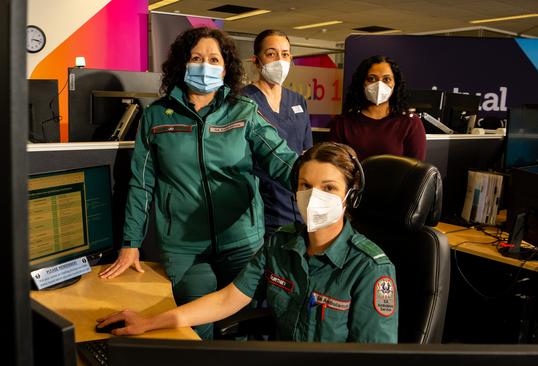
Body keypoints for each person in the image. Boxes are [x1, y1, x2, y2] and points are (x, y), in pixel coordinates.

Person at [98, 27, 298, 340]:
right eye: (197, 58)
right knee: (193, 332)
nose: (206, 65)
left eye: (214, 59)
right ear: (182, 64)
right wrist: (130, 243)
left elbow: (281, 159)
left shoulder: (243, 111)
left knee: (242, 330)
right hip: (185, 249)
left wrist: (317, 182)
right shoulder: (156, 117)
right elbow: (140, 183)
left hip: (242, 242)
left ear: (226, 67)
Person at [96, 142, 398, 343]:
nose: (315, 196)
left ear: (351, 196)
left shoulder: (370, 269)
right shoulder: (281, 243)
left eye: (329, 187)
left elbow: (375, 357)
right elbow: (228, 299)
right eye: (306, 186)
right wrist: (149, 323)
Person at [242, 29, 313, 238]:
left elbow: (306, 152)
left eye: (285, 54)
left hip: (296, 203)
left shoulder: (298, 101)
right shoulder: (243, 102)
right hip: (259, 206)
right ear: (256, 60)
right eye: (271, 54)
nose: (280, 60)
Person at [329, 55, 426, 161]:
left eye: (386, 79)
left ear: (395, 84)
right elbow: (335, 165)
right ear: (362, 82)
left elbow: (417, 170)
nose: (379, 84)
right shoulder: (343, 122)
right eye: (371, 79)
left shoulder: (410, 122)